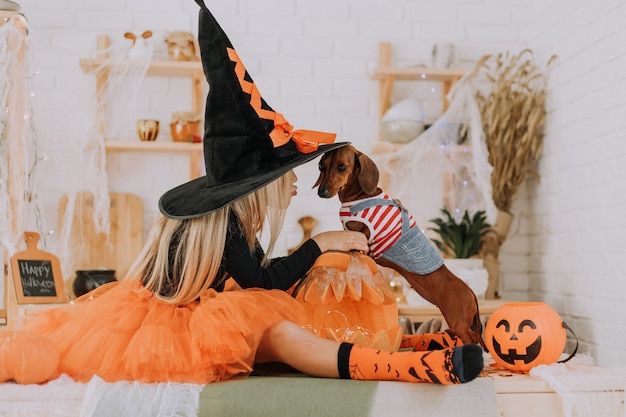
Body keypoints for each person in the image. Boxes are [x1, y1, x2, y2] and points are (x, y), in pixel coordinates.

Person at [17, 0, 484, 386]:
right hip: (175, 326)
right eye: (289, 176)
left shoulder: (237, 225)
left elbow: (255, 277)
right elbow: (262, 283)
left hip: (214, 311)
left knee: (297, 326)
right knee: (284, 337)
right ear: (258, 190)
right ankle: (410, 367)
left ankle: (419, 343)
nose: (299, 183)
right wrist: (319, 245)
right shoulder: (219, 230)